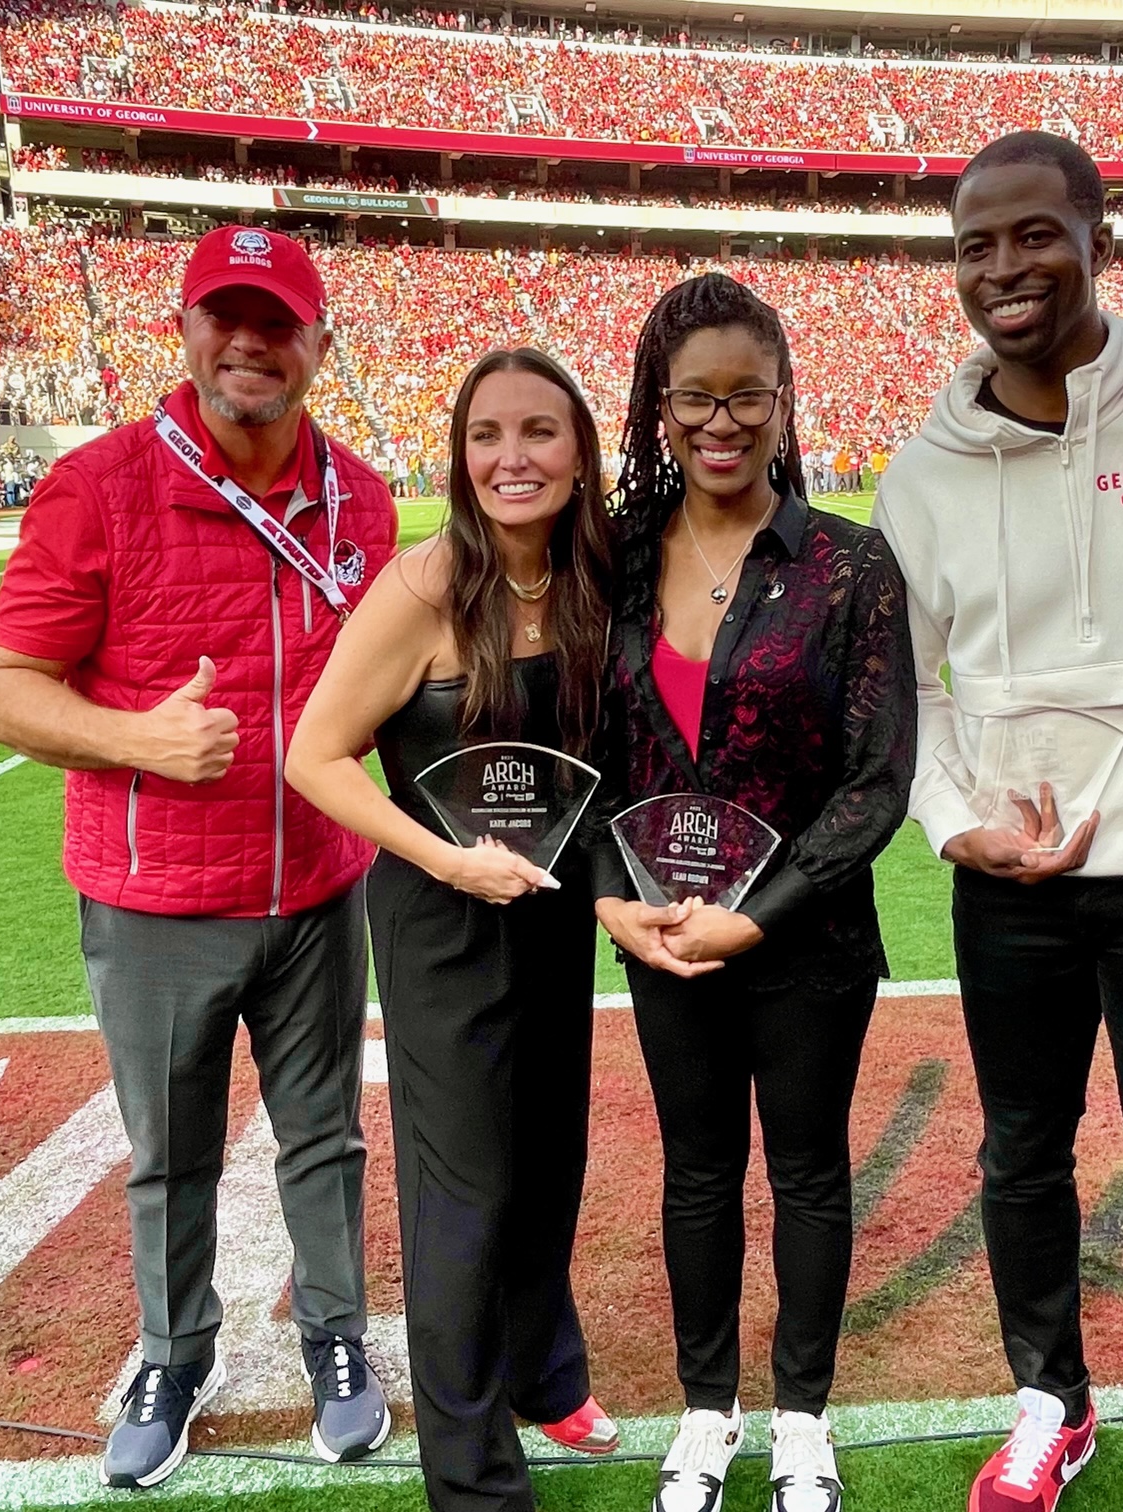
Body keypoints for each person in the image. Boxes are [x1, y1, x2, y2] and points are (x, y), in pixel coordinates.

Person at [871, 130, 1123, 1512]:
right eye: (975, 246)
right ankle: (1053, 1397)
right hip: (1009, 887)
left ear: (1102, 236)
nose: (1005, 268)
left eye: (1034, 233)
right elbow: (915, 686)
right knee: (1022, 1153)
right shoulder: (919, 474)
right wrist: (948, 825)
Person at [0, 226, 399, 1490]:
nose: (250, 342)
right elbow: (3, 695)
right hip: (156, 899)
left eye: (277, 321)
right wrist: (138, 740)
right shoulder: (100, 485)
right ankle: (174, 1350)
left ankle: (335, 1339)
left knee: (323, 1136)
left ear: (320, 343)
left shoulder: (362, 499)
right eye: (226, 316)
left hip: (320, 886)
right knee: (172, 1149)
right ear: (186, 327)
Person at [589, 272, 915, 1512]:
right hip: (665, 937)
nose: (719, 425)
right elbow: (594, 759)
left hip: (806, 942)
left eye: (746, 398)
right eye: (693, 401)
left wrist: (757, 911)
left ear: (785, 404)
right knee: (696, 1173)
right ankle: (708, 1412)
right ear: (657, 410)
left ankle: (802, 1421)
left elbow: (877, 781)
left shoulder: (849, 564)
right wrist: (622, 901)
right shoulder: (615, 563)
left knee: (809, 1173)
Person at [287, 347, 622, 1512]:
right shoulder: (421, 589)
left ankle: (545, 1372)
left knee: (549, 1161)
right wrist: (444, 859)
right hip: (442, 921)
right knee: (464, 1189)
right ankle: (473, 1479)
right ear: (459, 453)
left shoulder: (595, 576)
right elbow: (314, 756)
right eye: (487, 434)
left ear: (582, 453)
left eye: (539, 432)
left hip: (555, 910)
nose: (511, 457)